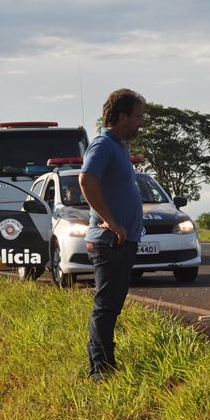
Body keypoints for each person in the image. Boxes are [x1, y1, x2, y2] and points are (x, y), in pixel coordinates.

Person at [79, 89, 145, 381]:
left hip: (121, 241)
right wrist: (111, 221)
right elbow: (86, 179)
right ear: (122, 117)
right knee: (105, 307)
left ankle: (106, 365)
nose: (141, 123)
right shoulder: (104, 145)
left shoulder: (118, 146)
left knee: (112, 306)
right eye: (138, 117)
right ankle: (100, 370)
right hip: (109, 242)